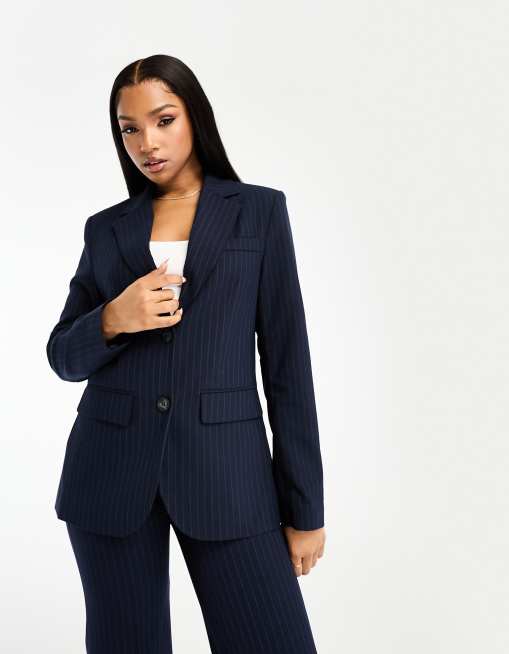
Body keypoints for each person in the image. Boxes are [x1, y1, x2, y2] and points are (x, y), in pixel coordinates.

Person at [47, 54, 326, 654]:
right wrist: (113, 318)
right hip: (109, 475)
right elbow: (63, 356)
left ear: (194, 115)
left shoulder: (258, 211)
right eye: (129, 128)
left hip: (229, 479)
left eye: (163, 119)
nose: (146, 142)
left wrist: (306, 508)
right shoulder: (106, 229)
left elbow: (288, 368)